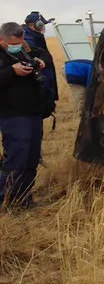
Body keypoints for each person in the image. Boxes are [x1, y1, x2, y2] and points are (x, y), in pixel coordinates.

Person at [0, 22, 50, 210]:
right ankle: (3, 201)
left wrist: (40, 61)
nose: (18, 45)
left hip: (33, 113)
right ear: (2, 40)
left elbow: (45, 54)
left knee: (31, 158)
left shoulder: (24, 51)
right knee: (16, 159)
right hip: (12, 115)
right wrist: (12, 71)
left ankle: (23, 200)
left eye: (21, 41)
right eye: (14, 42)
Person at [22, 12, 58, 102]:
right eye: (43, 24)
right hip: (37, 85)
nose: (44, 27)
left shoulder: (36, 37)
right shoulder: (28, 40)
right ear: (37, 25)